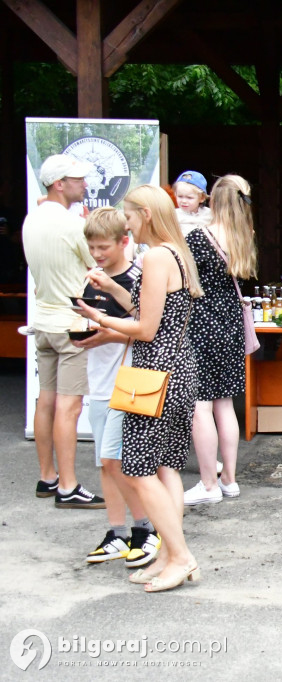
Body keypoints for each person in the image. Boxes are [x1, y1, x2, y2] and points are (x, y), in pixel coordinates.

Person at [77, 185, 203, 592]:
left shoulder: (154, 256)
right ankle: (169, 555)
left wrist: (101, 319)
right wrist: (113, 292)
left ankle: (180, 556)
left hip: (153, 372)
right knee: (165, 467)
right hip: (177, 367)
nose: (126, 224)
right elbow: (150, 311)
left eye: (128, 217)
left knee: (137, 466)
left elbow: (146, 328)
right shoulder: (176, 253)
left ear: (145, 214)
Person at [74, 208, 160, 566]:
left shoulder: (139, 276)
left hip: (130, 380)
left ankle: (145, 529)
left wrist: (108, 330)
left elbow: (146, 326)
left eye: (103, 247)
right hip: (99, 378)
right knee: (105, 463)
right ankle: (117, 533)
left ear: (124, 241)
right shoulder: (92, 278)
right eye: (91, 247)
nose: (97, 254)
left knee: (120, 460)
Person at [22, 154, 105, 508]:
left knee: (47, 401)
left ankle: (48, 477)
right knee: (69, 408)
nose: (85, 183)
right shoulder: (72, 225)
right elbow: (97, 265)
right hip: (72, 323)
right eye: (78, 179)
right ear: (60, 184)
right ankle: (69, 487)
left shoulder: (31, 219)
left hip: (43, 320)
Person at [182, 175, 257, 506]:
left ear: (213, 201)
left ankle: (208, 484)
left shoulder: (200, 237)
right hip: (230, 325)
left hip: (203, 325)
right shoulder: (244, 236)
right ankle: (229, 480)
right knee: (225, 404)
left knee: (201, 407)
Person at [173, 170, 212, 235]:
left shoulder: (210, 215)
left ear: (202, 198)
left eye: (189, 198)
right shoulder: (173, 215)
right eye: (180, 196)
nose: (184, 201)